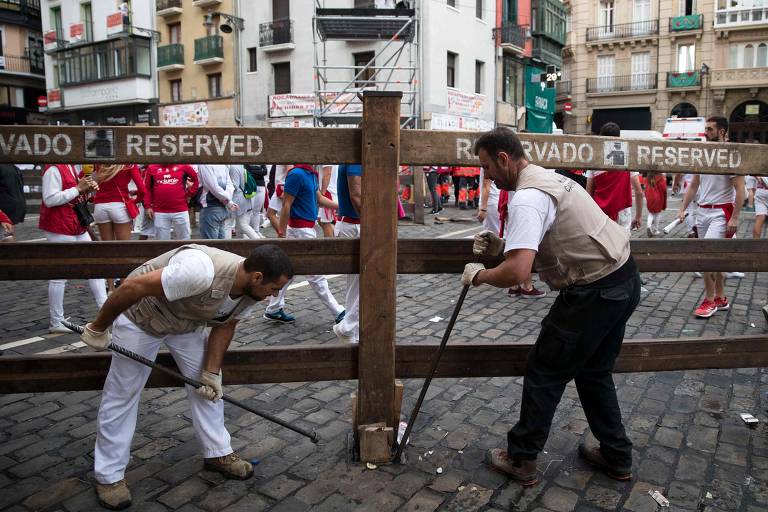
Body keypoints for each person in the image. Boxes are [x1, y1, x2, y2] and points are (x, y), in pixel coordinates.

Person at [464, 127, 639, 486]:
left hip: (594, 292)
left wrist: (479, 276)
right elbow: (546, 236)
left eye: (486, 167)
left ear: (503, 159)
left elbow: (517, 271)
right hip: (622, 278)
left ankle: (522, 458)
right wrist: (504, 242)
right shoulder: (548, 178)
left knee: (545, 371)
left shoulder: (527, 197)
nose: (487, 176)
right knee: (593, 372)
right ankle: (616, 455)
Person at [78, 243, 293, 510]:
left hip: (186, 324)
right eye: (273, 289)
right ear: (257, 277)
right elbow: (132, 287)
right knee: (123, 393)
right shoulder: (199, 270)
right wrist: (98, 328)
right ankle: (109, 476)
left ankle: (218, 453)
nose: (273, 296)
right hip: (142, 317)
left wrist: (211, 373)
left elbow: (226, 324)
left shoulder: (251, 291)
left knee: (209, 390)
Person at [677, 116, 745, 318]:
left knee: (706, 256)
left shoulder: (731, 155)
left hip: (720, 213)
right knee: (715, 258)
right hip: (702, 211)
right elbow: (694, 185)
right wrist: (682, 208)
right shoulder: (704, 154)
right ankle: (721, 297)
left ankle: (709, 300)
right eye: (705, 129)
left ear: (722, 131)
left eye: (710, 129)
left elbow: (740, 190)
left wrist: (735, 217)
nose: (705, 132)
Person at [265, 164, 345, 324]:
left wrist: (344, 207)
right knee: (315, 274)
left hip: (305, 229)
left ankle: (273, 309)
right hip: (299, 230)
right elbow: (286, 204)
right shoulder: (297, 174)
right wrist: (282, 233)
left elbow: (319, 199)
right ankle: (337, 310)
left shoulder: (311, 174)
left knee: (290, 271)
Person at [39, 163, 107, 333]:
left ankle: (106, 310)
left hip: (75, 223)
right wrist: (78, 188)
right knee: (60, 274)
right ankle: (56, 321)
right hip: (59, 224)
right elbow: (50, 199)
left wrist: (88, 191)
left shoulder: (71, 166)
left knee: (94, 267)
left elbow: (75, 194)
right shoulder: (54, 169)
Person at [585, 123, 644, 232]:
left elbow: (588, 193)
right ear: (618, 137)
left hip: (600, 213)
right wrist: (638, 216)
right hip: (622, 212)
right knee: (621, 246)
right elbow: (639, 192)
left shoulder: (594, 160)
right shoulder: (627, 159)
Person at [333, 163, 362, 343]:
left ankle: (352, 331)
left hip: (351, 223)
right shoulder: (356, 160)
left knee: (356, 284)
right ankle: (348, 326)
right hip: (355, 224)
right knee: (373, 279)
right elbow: (356, 195)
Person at [144, 164, 198, 241]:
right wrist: (148, 206)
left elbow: (196, 180)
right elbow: (147, 188)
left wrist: (190, 194)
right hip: (160, 211)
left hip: (180, 210)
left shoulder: (184, 166)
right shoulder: (152, 167)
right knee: (162, 242)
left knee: (184, 241)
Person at [198, 164, 237, 239]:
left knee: (210, 246)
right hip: (221, 208)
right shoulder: (222, 164)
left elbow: (214, 188)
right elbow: (229, 186)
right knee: (220, 245)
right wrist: (228, 201)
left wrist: (227, 200)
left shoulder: (205, 164)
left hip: (210, 207)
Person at [226, 164, 261, 240]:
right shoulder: (241, 166)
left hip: (236, 198)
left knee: (228, 224)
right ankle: (258, 241)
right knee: (243, 225)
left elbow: (234, 185)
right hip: (245, 198)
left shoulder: (233, 167)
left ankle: (226, 247)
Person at [643, 172, 667, 237]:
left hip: (649, 197)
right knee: (657, 213)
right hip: (658, 197)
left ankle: (648, 225)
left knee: (651, 213)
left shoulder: (649, 176)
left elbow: (645, 188)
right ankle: (655, 230)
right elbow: (664, 189)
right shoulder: (661, 177)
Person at [318, 164, 338, 237]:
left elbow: (327, 173)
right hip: (328, 190)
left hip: (328, 192)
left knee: (325, 223)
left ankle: (330, 247)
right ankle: (335, 239)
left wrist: (322, 194)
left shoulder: (327, 155)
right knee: (321, 221)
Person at [753, 174, 768, 239]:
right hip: (762, 191)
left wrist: (758, 177)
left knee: (760, 218)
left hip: (761, 190)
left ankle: (755, 244)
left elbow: (751, 167)